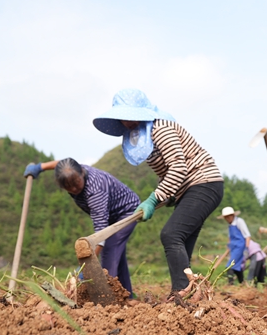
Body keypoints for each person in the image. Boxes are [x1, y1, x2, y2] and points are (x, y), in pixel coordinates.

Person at [93, 88, 224, 297]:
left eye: (130, 115)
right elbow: (168, 176)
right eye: (122, 117)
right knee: (181, 243)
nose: (127, 121)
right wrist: (156, 202)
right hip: (189, 189)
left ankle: (181, 294)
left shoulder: (160, 128)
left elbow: (179, 167)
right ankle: (186, 293)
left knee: (171, 234)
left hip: (203, 183)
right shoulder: (143, 137)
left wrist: (154, 199)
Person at [23, 158, 140, 296]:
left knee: (110, 249)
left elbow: (100, 234)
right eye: (68, 186)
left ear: (82, 173)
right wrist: (40, 167)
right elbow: (61, 164)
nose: (74, 189)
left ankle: (108, 298)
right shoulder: (72, 169)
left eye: (76, 183)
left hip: (126, 211)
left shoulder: (95, 192)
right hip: (110, 213)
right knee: (117, 255)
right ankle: (127, 295)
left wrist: (86, 265)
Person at [220, 206, 251, 285]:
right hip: (233, 248)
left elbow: (247, 236)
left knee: (229, 266)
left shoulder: (239, 221)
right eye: (225, 218)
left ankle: (230, 285)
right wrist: (228, 247)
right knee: (237, 267)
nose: (227, 219)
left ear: (232, 215)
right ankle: (242, 283)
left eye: (228, 217)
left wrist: (246, 248)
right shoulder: (230, 225)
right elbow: (230, 237)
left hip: (239, 247)